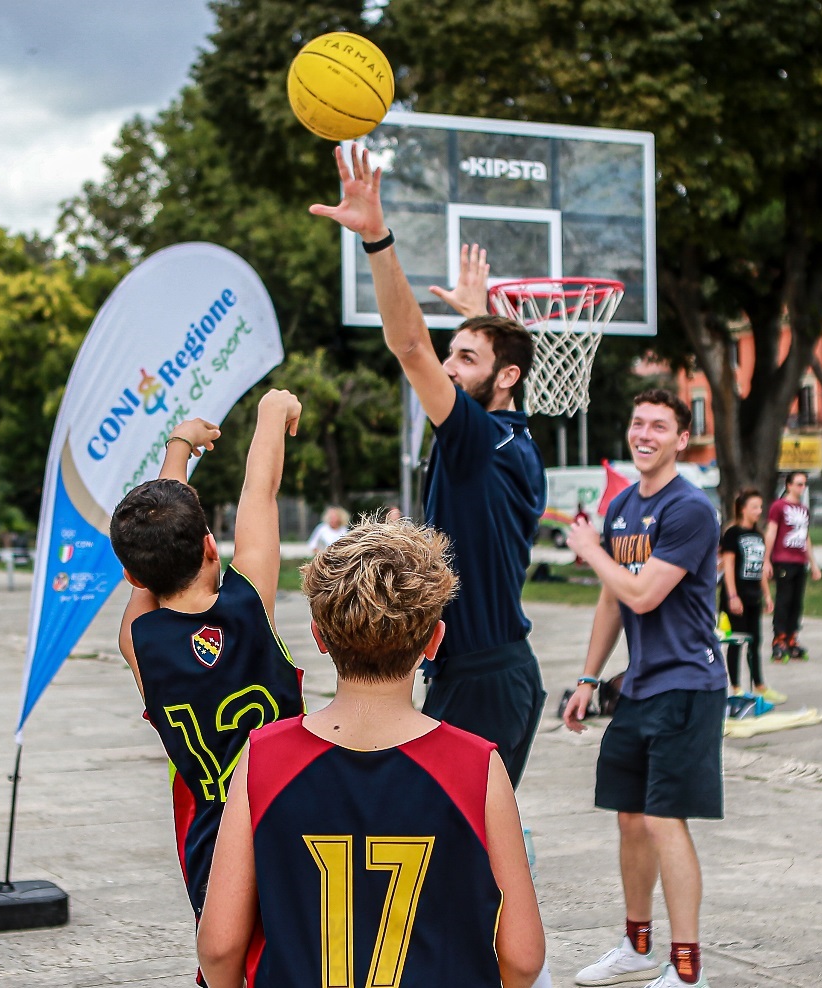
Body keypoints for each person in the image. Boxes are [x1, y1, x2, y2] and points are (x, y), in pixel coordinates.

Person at [196, 519, 545, 988]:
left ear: (319, 636)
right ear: (435, 641)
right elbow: (523, 957)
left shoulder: (264, 758)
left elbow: (219, 946)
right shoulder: (476, 766)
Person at [312, 143, 548, 786]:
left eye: (466, 356)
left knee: (453, 857)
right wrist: (476, 316)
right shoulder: (515, 444)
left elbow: (409, 344)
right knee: (466, 852)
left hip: (482, 681)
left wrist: (377, 238)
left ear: (507, 378)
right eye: (454, 351)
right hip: (500, 673)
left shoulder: (476, 440)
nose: (447, 364)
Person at [110, 391, 305, 928]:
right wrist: (270, 412)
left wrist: (178, 449)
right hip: (299, 823)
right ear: (212, 548)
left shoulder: (138, 642)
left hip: (216, 846)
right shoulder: (251, 604)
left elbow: (160, 542)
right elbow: (258, 492)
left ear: (133, 579)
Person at [563, 389, 727, 988]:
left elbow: (642, 593)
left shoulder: (690, 509)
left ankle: (687, 972)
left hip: (689, 684)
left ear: (682, 439)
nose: (645, 434)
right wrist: (587, 680)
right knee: (630, 819)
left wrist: (587, 550)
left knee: (663, 820)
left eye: (660, 426)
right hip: (638, 687)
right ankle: (636, 947)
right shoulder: (626, 506)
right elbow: (612, 599)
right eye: (638, 423)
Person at [718, 488, 782, 703]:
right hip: (736, 597)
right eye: (754, 507)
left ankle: (760, 685)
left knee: (755, 641)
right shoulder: (732, 533)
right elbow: (728, 566)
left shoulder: (758, 535)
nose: (759, 511)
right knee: (737, 641)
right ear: (743, 509)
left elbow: (761, 569)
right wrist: (732, 596)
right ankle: (735, 687)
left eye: (760, 507)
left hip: (754, 596)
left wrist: (767, 595)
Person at [763, 471, 821, 661]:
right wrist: (767, 559)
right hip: (783, 558)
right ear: (788, 485)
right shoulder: (779, 507)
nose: (801, 488)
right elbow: (771, 532)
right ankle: (779, 639)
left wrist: (813, 564)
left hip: (799, 560)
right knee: (784, 600)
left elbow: (806, 537)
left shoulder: (804, 510)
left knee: (797, 602)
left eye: (803, 484)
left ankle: (791, 637)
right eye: (798, 484)